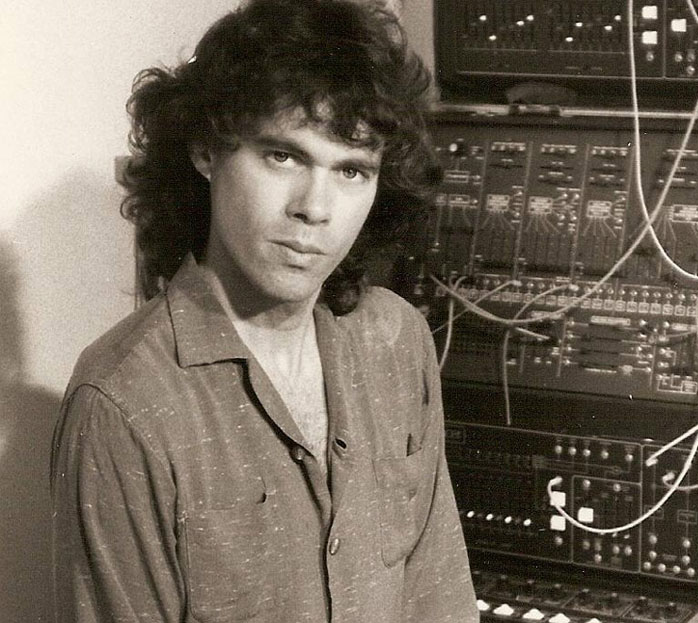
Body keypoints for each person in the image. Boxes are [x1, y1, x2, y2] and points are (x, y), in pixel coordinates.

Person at [49, 1, 479, 621]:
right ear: (206, 149)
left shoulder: (396, 338)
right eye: (284, 156)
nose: (316, 208)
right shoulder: (121, 402)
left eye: (353, 170)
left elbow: (438, 600)